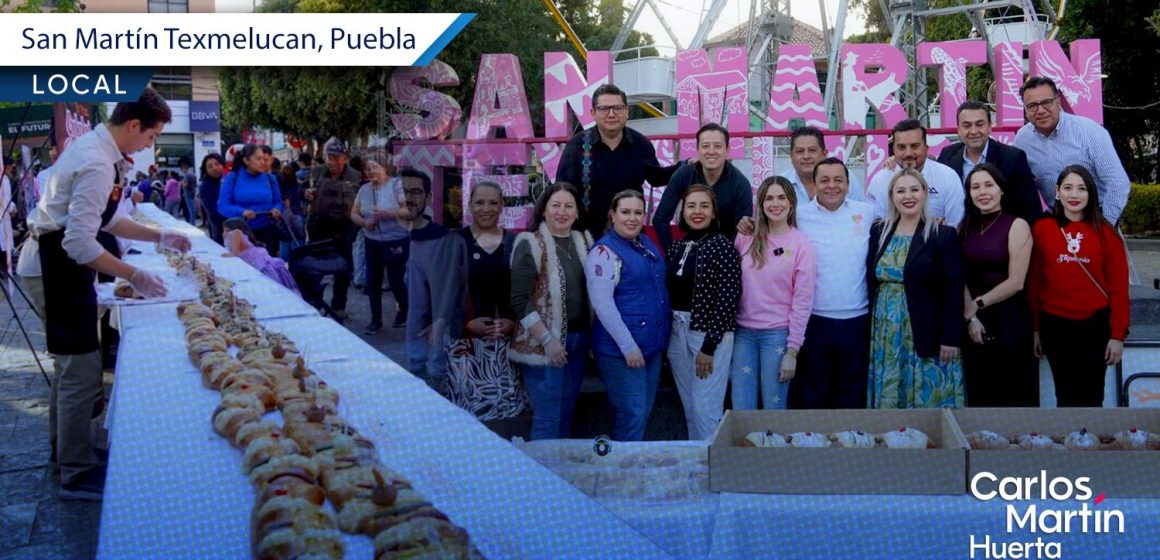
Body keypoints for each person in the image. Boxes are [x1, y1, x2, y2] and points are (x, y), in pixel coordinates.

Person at [21, 88, 191, 500]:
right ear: (134, 126)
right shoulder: (96, 161)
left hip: (59, 265)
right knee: (79, 366)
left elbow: (110, 218)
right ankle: (75, 472)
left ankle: (68, 451)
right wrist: (135, 274)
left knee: (72, 366)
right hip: (53, 267)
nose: (151, 145)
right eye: (151, 137)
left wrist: (160, 236)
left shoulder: (101, 151)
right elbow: (79, 244)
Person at [1029, 165, 1130, 407]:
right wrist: (1035, 329)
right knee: (1064, 394)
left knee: (1093, 395)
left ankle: (1090, 442)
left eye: (1082, 189)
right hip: (1055, 325)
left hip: (1095, 326)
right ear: (1057, 192)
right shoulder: (1042, 229)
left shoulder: (1106, 232)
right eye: (1068, 188)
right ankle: (1070, 442)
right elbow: (1034, 283)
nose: (1074, 195)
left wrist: (1117, 335)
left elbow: (1119, 288)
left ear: (1091, 194)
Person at [867, 168, 965, 409]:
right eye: (900, 191)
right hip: (886, 332)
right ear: (892, 196)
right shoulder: (880, 231)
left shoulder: (942, 235)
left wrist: (950, 338)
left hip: (925, 329)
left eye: (914, 189)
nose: (907, 196)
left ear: (924, 194)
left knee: (929, 396)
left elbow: (953, 290)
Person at [509, 182, 593, 440]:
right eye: (555, 205)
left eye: (569, 206)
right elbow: (519, 300)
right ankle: (539, 479)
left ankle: (560, 476)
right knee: (547, 420)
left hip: (578, 342)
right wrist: (548, 340)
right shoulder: (529, 243)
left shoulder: (585, 241)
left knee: (567, 414)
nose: (562, 211)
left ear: (578, 213)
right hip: (543, 345)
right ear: (544, 209)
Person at [586, 190, 671, 441]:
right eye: (625, 212)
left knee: (641, 413)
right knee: (630, 416)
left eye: (637, 212)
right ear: (612, 215)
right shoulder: (604, 252)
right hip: (623, 352)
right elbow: (602, 304)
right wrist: (628, 347)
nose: (632, 218)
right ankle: (623, 475)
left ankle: (631, 468)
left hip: (651, 347)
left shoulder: (645, 242)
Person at [791, 157, 875, 409]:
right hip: (814, 320)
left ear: (849, 184)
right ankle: (816, 445)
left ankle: (850, 443)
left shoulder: (866, 212)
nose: (832, 186)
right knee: (815, 390)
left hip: (857, 320)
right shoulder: (798, 216)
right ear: (814, 184)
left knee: (852, 392)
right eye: (824, 180)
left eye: (839, 180)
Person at [446, 179, 529, 422]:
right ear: (469, 205)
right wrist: (466, 323)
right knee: (468, 421)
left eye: (493, 202)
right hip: (466, 348)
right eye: (480, 202)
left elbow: (527, 292)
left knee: (507, 421)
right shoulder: (455, 242)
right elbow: (442, 295)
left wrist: (514, 323)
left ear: (503, 205)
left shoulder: (515, 243)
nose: (486, 208)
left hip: (506, 348)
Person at [732, 176, 816, 410]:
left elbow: (803, 301)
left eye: (781, 197)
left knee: (774, 407)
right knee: (741, 406)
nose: (775, 203)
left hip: (778, 336)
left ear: (791, 202)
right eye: (769, 198)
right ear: (760, 203)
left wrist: (793, 350)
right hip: (743, 334)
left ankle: (773, 448)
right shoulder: (745, 236)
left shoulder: (801, 245)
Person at [664, 184, 741, 439]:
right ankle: (695, 465)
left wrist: (709, 346)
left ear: (714, 212)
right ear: (683, 211)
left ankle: (714, 469)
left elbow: (729, 299)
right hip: (678, 332)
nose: (697, 211)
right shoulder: (677, 246)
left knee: (705, 409)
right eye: (691, 206)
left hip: (709, 335)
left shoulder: (723, 247)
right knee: (689, 407)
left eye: (704, 206)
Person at [556, 83, 683, 236]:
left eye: (618, 108)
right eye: (604, 109)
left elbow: (657, 177)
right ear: (593, 113)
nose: (611, 114)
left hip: (631, 234)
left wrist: (685, 165)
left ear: (627, 111)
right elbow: (562, 191)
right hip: (587, 236)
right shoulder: (577, 146)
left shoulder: (640, 144)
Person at [959, 163, 1038, 407]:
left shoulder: (1017, 225)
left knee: (1014, 397)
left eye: (988, 185)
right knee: (980, 396)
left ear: (1001, 189)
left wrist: (977, 304)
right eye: (975, 187)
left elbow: (1016, 282)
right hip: (973, 325)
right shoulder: (965, 227)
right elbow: (958, 274)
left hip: (1010, 322)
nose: (982, 192)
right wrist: (971, 317)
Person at [1014, 77, 1129, 225]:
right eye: (1032, 105)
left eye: (1047, 102)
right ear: (1025, 109)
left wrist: (1104, 225)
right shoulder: (1022, 140)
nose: (1040, 110)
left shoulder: (1089, 132)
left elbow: (1117, 182)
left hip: (1096, 218)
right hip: (1057, 225)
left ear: (1058, 101)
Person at [398, 168, 468, 394]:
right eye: (404, 191)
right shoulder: (406, 231)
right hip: (419, 362)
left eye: (416, 192)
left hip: (435, 366)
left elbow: (444, 301)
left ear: (428, 197)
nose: (409, 198)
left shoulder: (442, 238)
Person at [936, 100, 1043, 223]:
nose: (974, 131)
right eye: (967, 125)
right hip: (959, 234)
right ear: (958, 129)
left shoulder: (1012, 157)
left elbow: (1031, 208)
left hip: (1001, 234)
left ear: (989, 127)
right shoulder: (947, 155)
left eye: (980, 124)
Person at [652, 123, 753, 248]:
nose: (711, 152)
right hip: (690, 246)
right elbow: (660, 219)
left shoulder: (740, 184)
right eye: (705, 146)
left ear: (727, 150)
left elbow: (743, 231)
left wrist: (728, 257)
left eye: (717, 146)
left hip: (725, 252)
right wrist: (672, 252)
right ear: (698, 149)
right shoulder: (684, 174)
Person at [867, 119, 965, 227]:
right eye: (901, 147)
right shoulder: (880, 180)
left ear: (926, 148)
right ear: (893, 150)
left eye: (914, 146)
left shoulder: (947, 176)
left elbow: (956, 225)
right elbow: (876, 226)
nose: (908, 153)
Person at [350, 153, 408, 334]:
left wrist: (387, 213)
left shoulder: (397, 185)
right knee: (372, 281)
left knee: (395, 279)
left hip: (395, 239)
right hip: (372, 240)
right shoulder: (364, 189)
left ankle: (405, 309)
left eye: (374, 167)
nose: (370, 171)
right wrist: (364, 222)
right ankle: (376, 320)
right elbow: (354, 213)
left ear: (384, 166)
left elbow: (407, 211)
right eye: (367, 168)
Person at [304, 139, 362, 319]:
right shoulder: (316, 172)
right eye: (329, 157)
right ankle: (314, 302)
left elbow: (361, 202)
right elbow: (301, 191)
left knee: (342, 269)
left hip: (344, 228)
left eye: (336, 157)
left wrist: (355, 228)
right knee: (315, 267)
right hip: (319, 227)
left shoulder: (355, 176)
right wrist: (304, 194)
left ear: (344, 158)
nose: (332, 161)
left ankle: (339, 306)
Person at [218, 144, 284, 257]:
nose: (262, 162)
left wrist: (277, 209)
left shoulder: (270, 178)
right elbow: (222, 206)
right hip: (240, 234)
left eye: (263, 159)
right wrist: (242, 212)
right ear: (246, 160)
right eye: (258, 159)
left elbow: (278, 202)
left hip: (266, 233)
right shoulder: (232, 177)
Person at [222, 217, 299, 294]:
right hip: (258, 262)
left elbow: (235, 253)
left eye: (227, 230)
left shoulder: (236, 232)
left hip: (261, 264)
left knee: (276, 289)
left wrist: (223, 255)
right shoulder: (231, 235)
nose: (225, 233)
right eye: (224, 230)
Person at [197, 153, 227, 244]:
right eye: (210, 166)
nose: (214, 168)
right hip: (219, 225)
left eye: (217, 164)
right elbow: (212, 209)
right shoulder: (205, 186)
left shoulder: (229, 180)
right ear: (206, 170)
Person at [179, 160, 198, 225]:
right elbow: (195, 185)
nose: (182, 171)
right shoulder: (193, 175)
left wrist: (181, 183)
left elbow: (185, 185)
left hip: (187, 193)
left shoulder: (187, 175)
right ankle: (193, 221)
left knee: (191, 209)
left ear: (184, 168)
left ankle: (192, 222)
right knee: (192, 208)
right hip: (192, 192)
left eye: (182, 169)